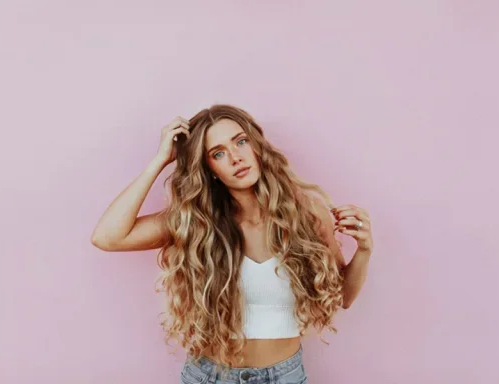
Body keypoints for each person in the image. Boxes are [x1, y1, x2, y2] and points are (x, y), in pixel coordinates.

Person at [91, 105, 374, 383]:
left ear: (257, 145)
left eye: (241, 141)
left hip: (284, 376)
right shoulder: (196, 223)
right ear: (209, 169)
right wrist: (161, 160)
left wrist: (364, 250)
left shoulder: (308, 214)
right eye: (218, 153)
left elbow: (343, 297)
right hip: (210, 376)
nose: (236, 157)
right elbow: (108, 237)